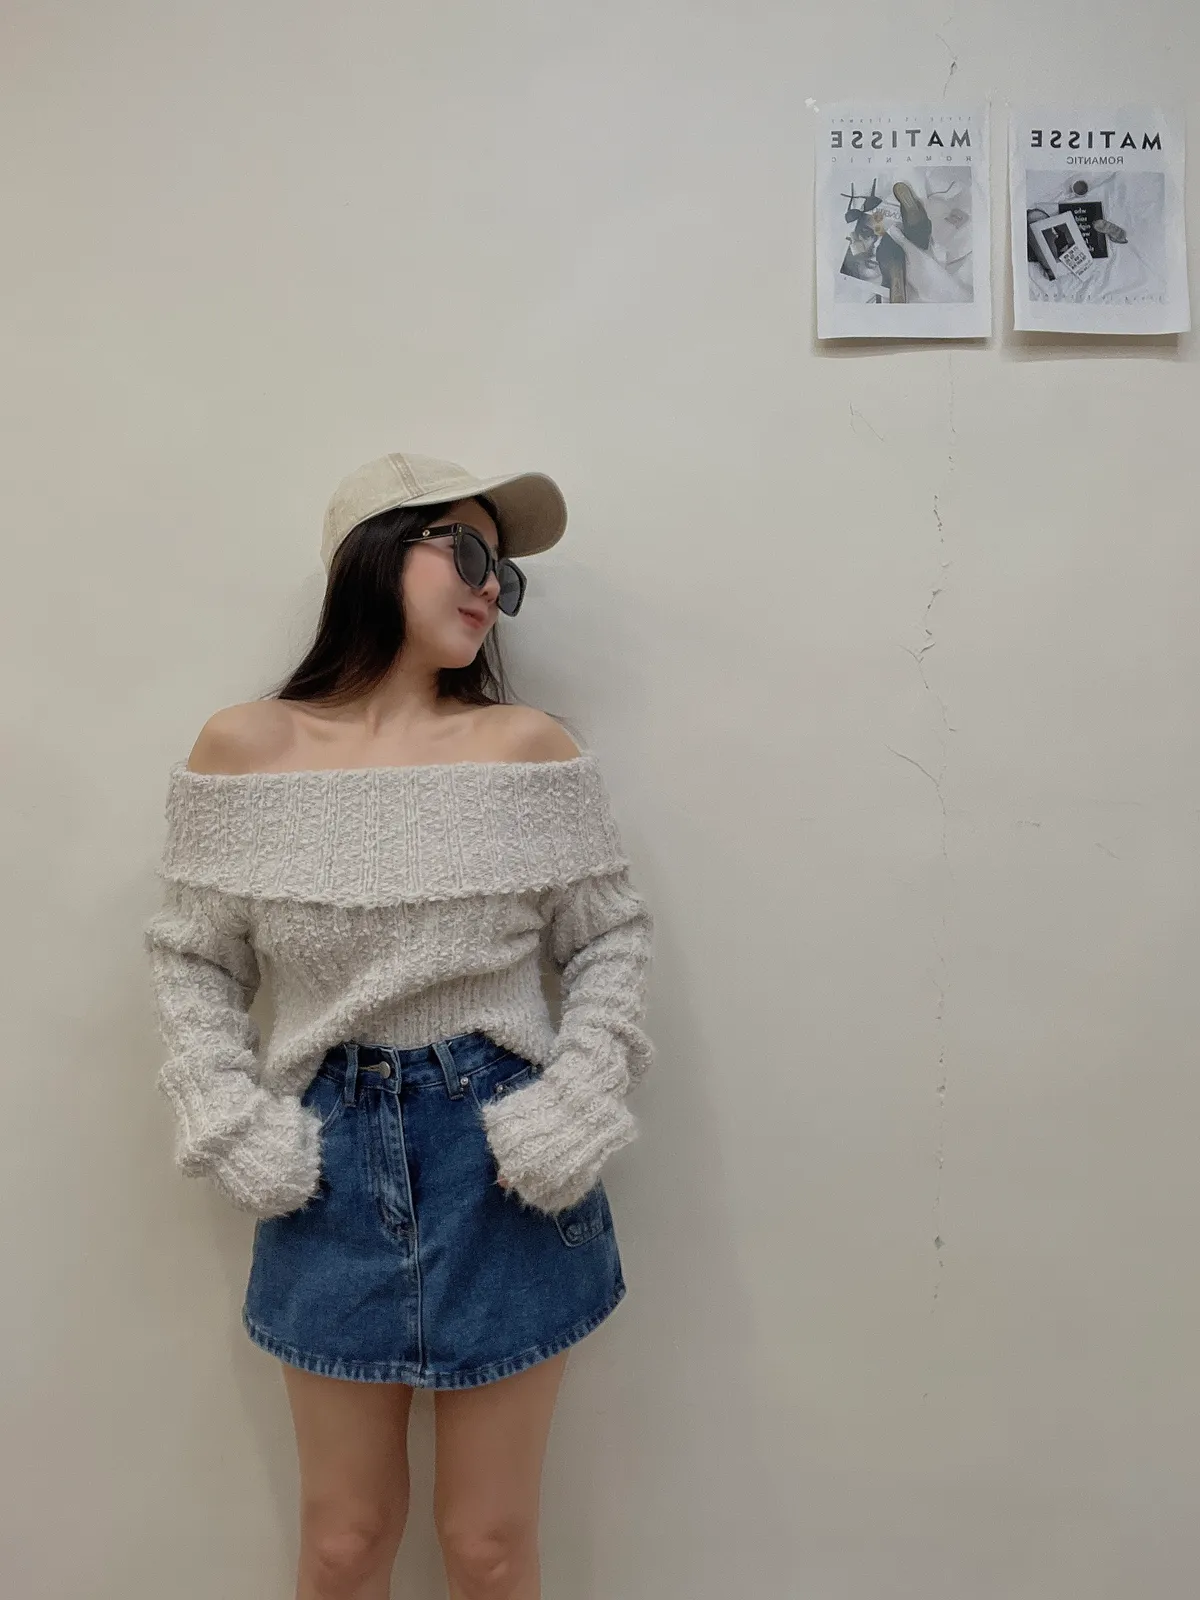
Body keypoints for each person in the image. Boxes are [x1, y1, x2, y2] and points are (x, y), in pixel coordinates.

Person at [143, 450, 655, 1600]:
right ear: (373, 552)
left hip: (506, 1164)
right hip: (328, 1165)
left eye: (503, 572)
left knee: (488, 1548)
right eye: (467, 549)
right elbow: (194, 959)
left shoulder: (529, 749)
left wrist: (576, 1104)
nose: (489, 586)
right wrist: (232, 1119)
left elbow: (609, 940)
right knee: (343, 1543)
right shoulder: (243, 752)